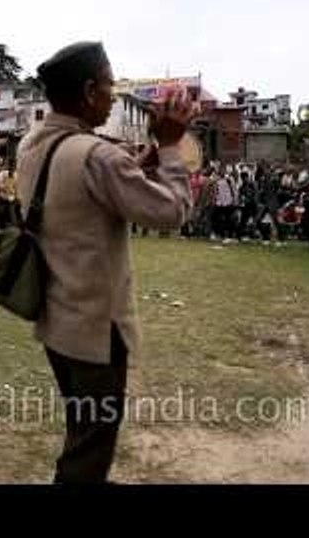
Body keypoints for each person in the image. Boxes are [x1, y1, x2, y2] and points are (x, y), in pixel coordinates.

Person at [16, 41, 193, 484]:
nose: (115, 95)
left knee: (83, 431)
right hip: (97, 332)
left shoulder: (32, 146)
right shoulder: (97, 155)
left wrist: (146, 155)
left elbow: (90, 184)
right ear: (90, 90)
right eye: (111, 84)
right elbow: (172, 211)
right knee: (91, 449)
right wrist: (171, 147)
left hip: (56, 320)